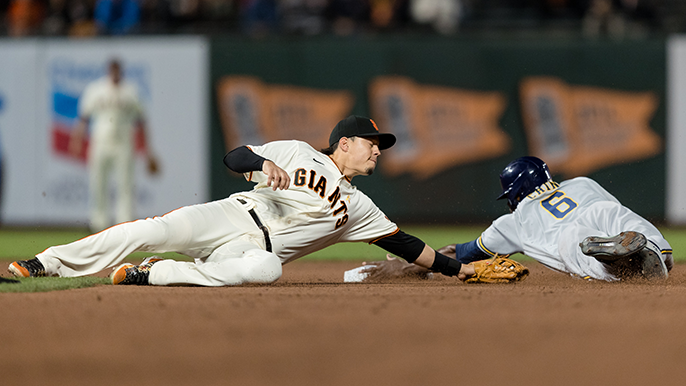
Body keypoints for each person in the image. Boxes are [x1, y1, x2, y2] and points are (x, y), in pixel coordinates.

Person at [9, 115, 476, 286]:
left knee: (265, 272)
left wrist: (461, 270)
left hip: (252, 252)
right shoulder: (298, 152)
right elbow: (235, 156)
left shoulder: (359, 208)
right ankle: (45, 262)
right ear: (344, 143)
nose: (378, 149)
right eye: (371, 141)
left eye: (381, 145)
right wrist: (259, 161)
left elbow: (405, 243)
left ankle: (157, 274)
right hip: (231, 215)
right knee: (149, 230)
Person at [361, 156, 672, 282]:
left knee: (577, 244)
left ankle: (611, 266)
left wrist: (407, 266)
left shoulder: (513, 222)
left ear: (515, 192)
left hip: (570, 235)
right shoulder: (581, 182)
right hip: (600, 213)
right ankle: (657, 252)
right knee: (619, 219)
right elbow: (613, 209)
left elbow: (459, 254)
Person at [69, 59, 159, 233]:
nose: (115, 72)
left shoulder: (131, 91)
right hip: (100, 141)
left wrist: (149, 152)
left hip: (124, 142)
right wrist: (76, 140)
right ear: (108, 70)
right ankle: (98, 224)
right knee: (97, 182)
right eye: (112, 69)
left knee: (125, 184)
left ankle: (124, 224)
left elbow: (142, 123)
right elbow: (83, 118)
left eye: (118, 69)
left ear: (122, 71)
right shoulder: (96, 89)